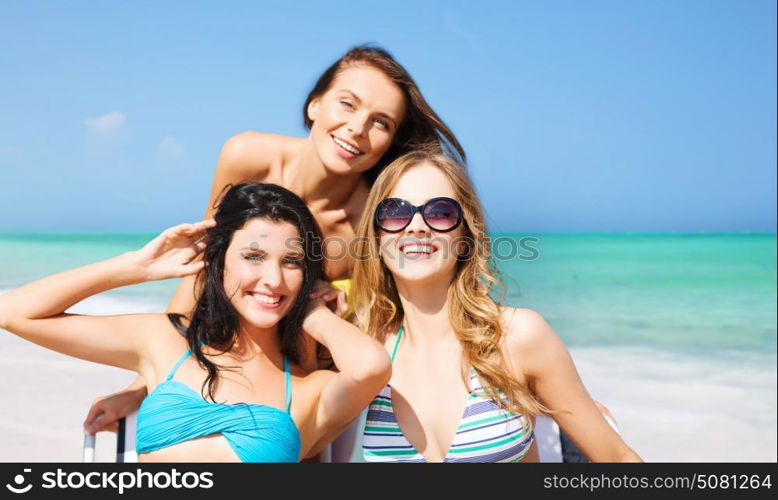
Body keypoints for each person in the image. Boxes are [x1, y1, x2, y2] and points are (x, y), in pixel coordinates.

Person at [83, 45, 465, 443]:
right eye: (347, 104)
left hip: (312, 366)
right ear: (315, 104)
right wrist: (142, 383)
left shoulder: (374, 218)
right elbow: (208, 271)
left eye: (381, 122)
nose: (357, 128)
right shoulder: (248, 156)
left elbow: (407, 304)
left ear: (389, 141)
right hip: (229, 348)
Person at [0, 182, 391, 462]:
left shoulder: (308, 389)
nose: (273, 279)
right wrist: (135, 266)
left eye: (291, 263)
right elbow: (13, 312)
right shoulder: (165, 342)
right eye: (253, 256)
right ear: (219, 262)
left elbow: (371, 366)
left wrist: (314, 311)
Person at [351, 149, 642, 462]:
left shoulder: (516, 337)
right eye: (395, 211)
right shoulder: (364, 351)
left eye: (440, 212)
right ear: (376, 234)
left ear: (465, 234)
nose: (417, 226)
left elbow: (617, 457)